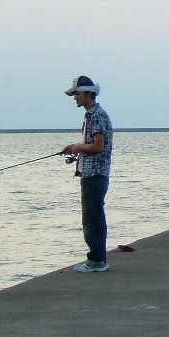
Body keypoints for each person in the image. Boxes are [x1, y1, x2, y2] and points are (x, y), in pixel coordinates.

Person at [62, 75, 113, 272]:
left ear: (88, 93)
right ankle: (98, 259)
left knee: (93, 219)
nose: (75, 97)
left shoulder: (96, 115)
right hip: (92, 173)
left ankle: (96, 261)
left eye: (77, 93)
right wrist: (76, 148)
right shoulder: (92, 115)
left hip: (95, 174)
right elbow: (93, 145)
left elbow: (99, 146)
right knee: (93, 217)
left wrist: (78, 146)